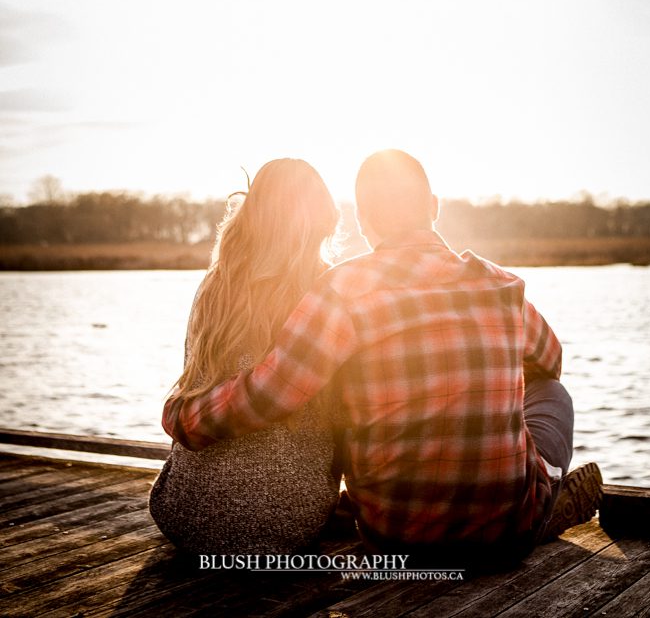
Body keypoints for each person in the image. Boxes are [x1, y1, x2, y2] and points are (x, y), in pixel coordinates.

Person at [163, 149, 602, 565]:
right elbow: (549, 362)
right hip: (506, 537)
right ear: (434, 207)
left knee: (354, 387)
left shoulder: (342, 290)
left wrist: (184, 420)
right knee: (552, 393)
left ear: (363, 218)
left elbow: (272, 392)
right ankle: (542, 497)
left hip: (393, 535)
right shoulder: (502, 285)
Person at [150, 158, 341, 555]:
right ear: (324, 218)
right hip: (284, 522)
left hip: (181, 512)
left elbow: (191, 382)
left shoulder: (214, 286)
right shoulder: (327, 292)